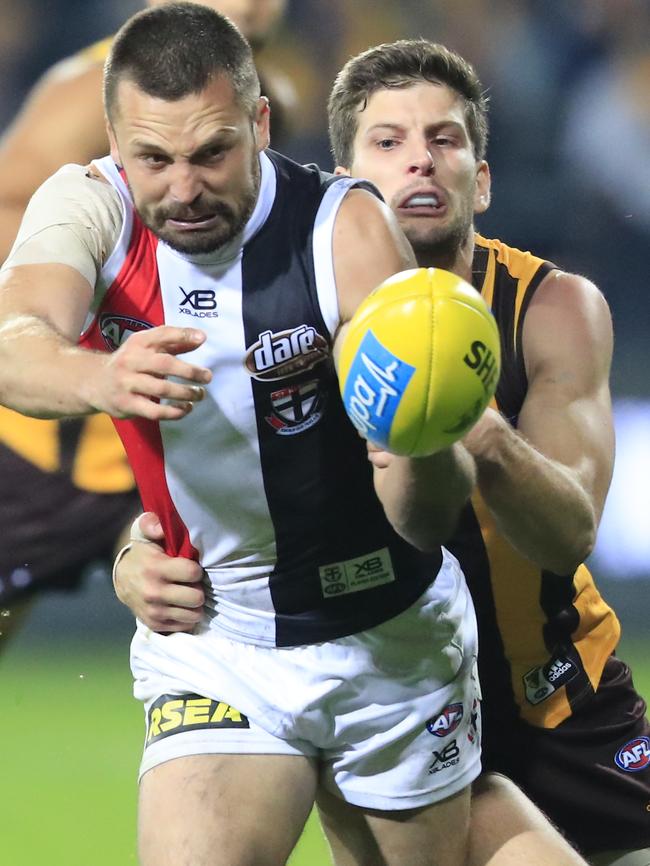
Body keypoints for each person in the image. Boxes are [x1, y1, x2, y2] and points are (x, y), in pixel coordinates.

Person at [115, 35, 650, 866]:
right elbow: (195, 482)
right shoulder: (286, 314)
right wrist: (133, 555)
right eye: (389, 143)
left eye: (445, 140)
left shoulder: (550, 308)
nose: (421, 165)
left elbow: (568, 534)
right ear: (343, 185)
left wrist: (455, 408)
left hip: (548, 701)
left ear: (484, 178)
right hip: (395, 684)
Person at [0, 6, 489, 865]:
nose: (182, 188)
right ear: (115, 140)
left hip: (388, 638)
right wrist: (101, 377)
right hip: (217, 639)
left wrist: (422, 442)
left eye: (211, 153)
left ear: (261, 123)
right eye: (153, 158)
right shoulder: (88, 207)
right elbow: (13, 340)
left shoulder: (345, 228)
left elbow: (419, 517)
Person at [0, 0, 292, 647]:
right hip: (59, 444)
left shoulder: (270, 89)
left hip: (180, 439)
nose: (249, 4)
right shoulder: (97, 83)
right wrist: (91, 327)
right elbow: (8, 207)